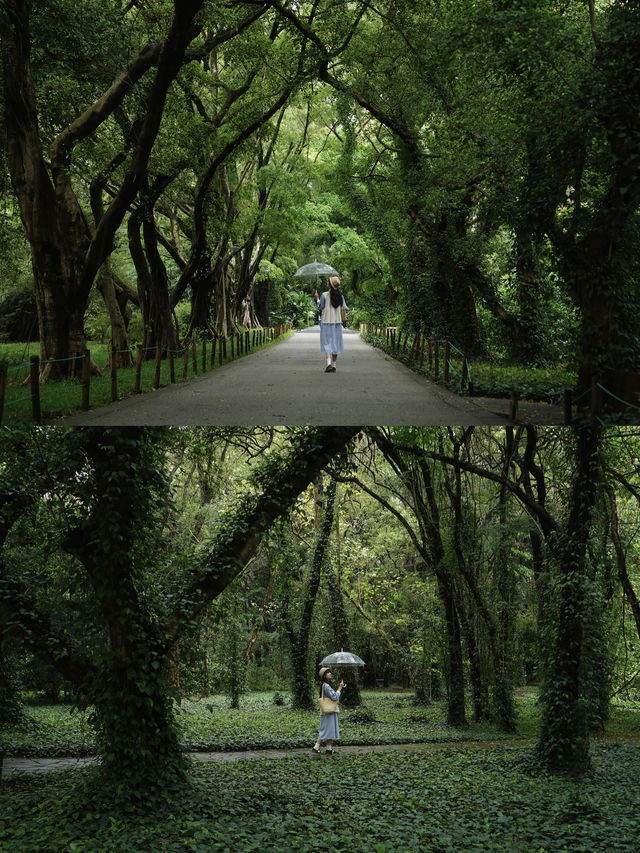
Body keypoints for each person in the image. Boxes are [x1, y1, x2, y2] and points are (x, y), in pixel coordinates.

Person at [314, 276, 347, 373]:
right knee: (335, 343)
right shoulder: (341, 296)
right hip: (337, 323)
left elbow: (320, 307)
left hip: (326, 322)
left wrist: (317, 298)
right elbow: (344, 308)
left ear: (330, 284)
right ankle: (334, 366)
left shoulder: (324, 295)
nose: (326, 283)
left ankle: (328, 364)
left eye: (328, 282)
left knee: (327, 343)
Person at [312, 666, 345, 755]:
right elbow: (334, 697)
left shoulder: (327, 685)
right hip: (328, 712)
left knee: (329, 729)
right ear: (324, 676)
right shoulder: (326, 686)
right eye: (327, 672)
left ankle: (329, 749)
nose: (330, 673)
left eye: (330, 672)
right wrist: (340, 688)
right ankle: (316, 747)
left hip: (330, 711)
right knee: (325, 730)